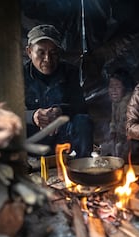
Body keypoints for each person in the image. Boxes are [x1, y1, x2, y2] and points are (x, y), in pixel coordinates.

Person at [24, 24, 94, 158]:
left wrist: (60, 111)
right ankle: (19, 169)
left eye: (53, 53)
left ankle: (83, 167)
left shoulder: (69, 72)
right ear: (29, 52)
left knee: (83, 121)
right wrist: (32, 116)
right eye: (41, 52)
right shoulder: (19, 75)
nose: (47, 59)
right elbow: (7, 112)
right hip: (32, 141)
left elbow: (81, 106)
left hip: (62, 138)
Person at [100, 68, 135, 161]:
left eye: (118, 87)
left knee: (118, 149)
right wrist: (112, 132)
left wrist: (117, 141)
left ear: (126, 88)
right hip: (121, 138)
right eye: (111, 87)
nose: (113, 90)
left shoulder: (128, 101)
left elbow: (125, 127)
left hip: (132, 140)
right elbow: (113, 121)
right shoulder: (115, 103)